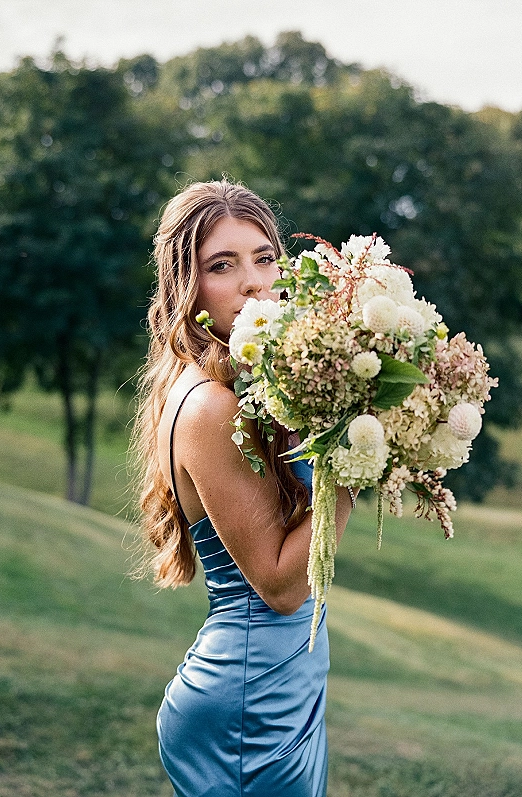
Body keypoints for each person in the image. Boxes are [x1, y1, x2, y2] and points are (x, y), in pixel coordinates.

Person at [133, 180, 355, 797]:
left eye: (264, 258)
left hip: (287, 689)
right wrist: (360, 455)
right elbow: (283, 586)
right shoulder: (208, 406)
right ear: (188, 286)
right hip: (247, 708)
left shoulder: (251, 387)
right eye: (222, 265)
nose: (254, 282)